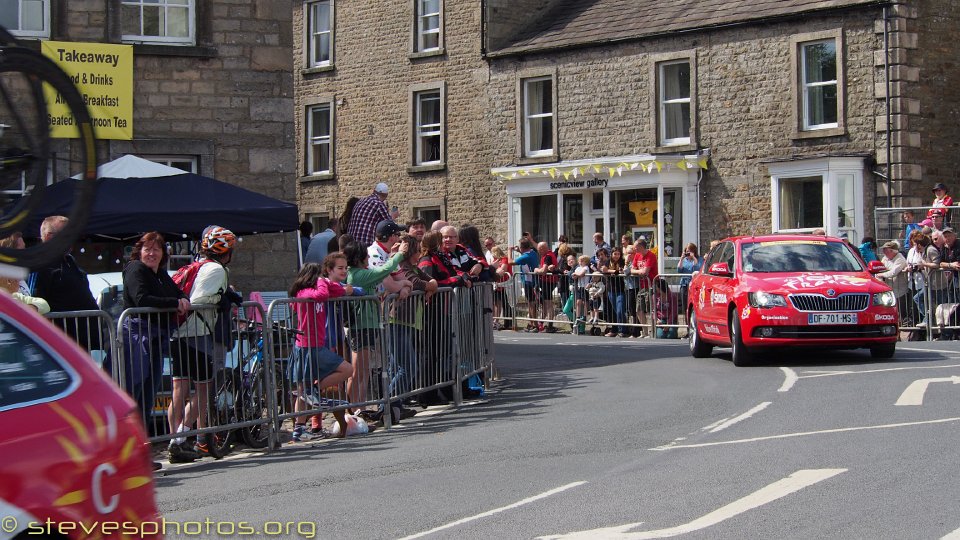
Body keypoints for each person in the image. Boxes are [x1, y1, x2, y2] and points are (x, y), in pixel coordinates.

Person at [167, 226, 236, 463]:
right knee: (203, 390)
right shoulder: (217, 269)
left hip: (178, 333)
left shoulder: (197, 265)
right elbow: (199, 300)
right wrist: (221, 299)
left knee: (179, 389)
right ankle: (184, 436)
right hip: (196, 333)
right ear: (226, 251)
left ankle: (176, 440)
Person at [120, 232, 188, 429]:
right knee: (135, 390)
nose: (152, 253)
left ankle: (142, 444)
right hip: (136, 338)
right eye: (147, 249)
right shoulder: (135, 269)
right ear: (139, 251)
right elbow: (141, 299)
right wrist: (175, 303)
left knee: (149, 392)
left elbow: (177, 291)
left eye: (156, 249)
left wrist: (182, 298)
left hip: (156, 338)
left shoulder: (159, 273)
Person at [287, 258, 353, 440]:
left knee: (305, 391)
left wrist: (344, 288)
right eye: (318, 277)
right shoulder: (304, 292)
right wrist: (323, 282)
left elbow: (339, 290)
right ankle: (299, 428)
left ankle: (313, 394)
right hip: (306, 346)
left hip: (317, 345)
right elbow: (323, 294)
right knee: (347, 369)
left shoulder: (317, 289)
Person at [344, 239, 408, 410]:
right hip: (361, 326)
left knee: (364, 372)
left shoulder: (359, 273)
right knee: (359, 372)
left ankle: (360, 408)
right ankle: (353, 410)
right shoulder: (357, 274)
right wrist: (399, 254)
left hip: (367, 325)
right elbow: (383, 270)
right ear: (359, 257)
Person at [28, 216, 103, 351]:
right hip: (59, 346)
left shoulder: (70, 260)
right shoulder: (39, 263)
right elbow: (34, 303)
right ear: (50, 237)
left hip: (84, 343)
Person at [630, 238, 658, 338]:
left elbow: (645, 271)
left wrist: (639, 271)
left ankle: (652, 331)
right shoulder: (637, 255)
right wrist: (639, 271)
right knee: (639, 309)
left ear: (641, 246)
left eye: (636, 247)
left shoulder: (651, 256)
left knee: (650, 310)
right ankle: (645, 331)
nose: (634, 249)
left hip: (651, 286)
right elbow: (632, 270)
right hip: (642, 286)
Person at [511, 238, 540, 332]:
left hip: (529, 281)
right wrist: (519, 251)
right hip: (530, 281)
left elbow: (510, 262)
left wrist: (509, 251)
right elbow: (524, 257)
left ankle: (534, 324)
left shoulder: (526, 256)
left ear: (522, 247)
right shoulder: (532, 252)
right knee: (531, 303)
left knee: (531, 304)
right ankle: (531, 323)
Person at [877, 240, 909, 322]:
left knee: (900, 312)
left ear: (892, 251)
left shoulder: (900, 259)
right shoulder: (885, 258)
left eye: (886, 250)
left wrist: (882, 274)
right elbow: (880, 269)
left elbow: (893, 272)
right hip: (889, 290)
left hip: (900, 291)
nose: (884, 252)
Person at [533, 241, 559, 333]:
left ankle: (550, 325)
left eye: (540, 249)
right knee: (545, 303)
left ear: (544, 248)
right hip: (546, 282)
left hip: (548, 282)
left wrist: (536, 270)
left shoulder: (548, 256)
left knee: (548, 304)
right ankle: (542, 323)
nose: (539, 251)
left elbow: (543, 271)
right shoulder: (547, 255)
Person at [676, 242, 702, 309]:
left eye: (690, 251)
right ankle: (686, 318)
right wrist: (681, 259)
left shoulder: (699, 259)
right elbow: (679, 270)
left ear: (694, 251)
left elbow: (698, 268)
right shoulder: (684, 260)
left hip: (695, 284)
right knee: (685, 304)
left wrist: (693, 258)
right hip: (685, 284)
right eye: (687, 251)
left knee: (694, 304)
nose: (688, 253)